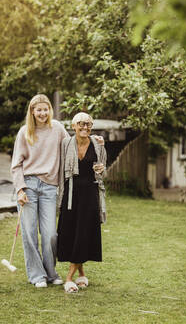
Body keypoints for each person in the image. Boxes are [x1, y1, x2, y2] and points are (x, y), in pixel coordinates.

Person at [11, 95, 104, 288]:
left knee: (51, 234)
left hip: (49, 187)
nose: (43, 113)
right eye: (39, 110)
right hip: (28, 185)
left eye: (46, 109)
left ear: (50, 110)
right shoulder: (24, 132)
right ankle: (37, 276)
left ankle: (51, 273)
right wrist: (20, 189)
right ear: (32, 111)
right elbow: (16, 165)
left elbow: (75, 140)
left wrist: (92, 138)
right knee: (29, 233)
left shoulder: (57, 128)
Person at [57, 112, 107, 293]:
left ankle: (69, 279)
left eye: (88, 124)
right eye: (81, 124)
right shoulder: (65, 143)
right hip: (70, 194)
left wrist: (102, 169)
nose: (85, 127)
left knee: (83, 233)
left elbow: (103, 171)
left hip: (90, 195)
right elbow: (60, 168)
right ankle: (82, 274)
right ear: (73, 126)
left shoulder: (98, 143)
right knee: (71, 233)